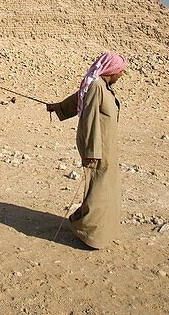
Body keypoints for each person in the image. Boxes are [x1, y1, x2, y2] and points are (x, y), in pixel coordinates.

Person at [46, 52, 128, 249]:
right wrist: (91, 152)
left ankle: (97, 230)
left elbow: (78, 100)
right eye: (120, 71)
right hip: (99, 149)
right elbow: (88, 117)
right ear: (112, 70)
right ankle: (90, 233)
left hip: (108, 148)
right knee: (99, 190)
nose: (122, 75)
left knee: (106, 189)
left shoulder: (101, 86)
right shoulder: (97, 86)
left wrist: (58, 107)